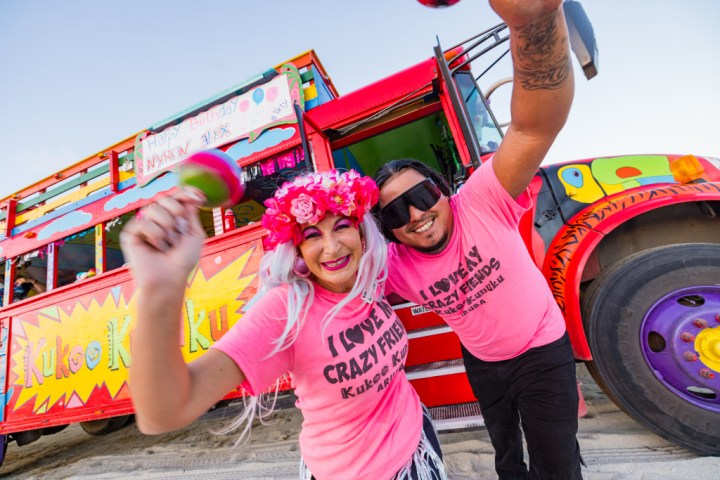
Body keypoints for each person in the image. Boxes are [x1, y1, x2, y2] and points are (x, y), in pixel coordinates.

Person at [120, 169, 448, 480]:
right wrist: (160, 289)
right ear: (298, 248)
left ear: (362, 234)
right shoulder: (287, 309)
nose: (332, 247)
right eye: (312, 234)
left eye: (342, 226)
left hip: (418, 436)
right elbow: (163, 412)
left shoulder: (370, 279)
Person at [374, 1, 582, 479]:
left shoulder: (482, 200)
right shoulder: (395, 263)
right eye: (394, 214)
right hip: (484, 361)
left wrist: (535, 19)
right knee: (506, 454)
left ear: (443, 191)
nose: (416, 216)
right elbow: (330, 270)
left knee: (556, 462)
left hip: (541, 351)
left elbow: (533, 126)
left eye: (422, 195)